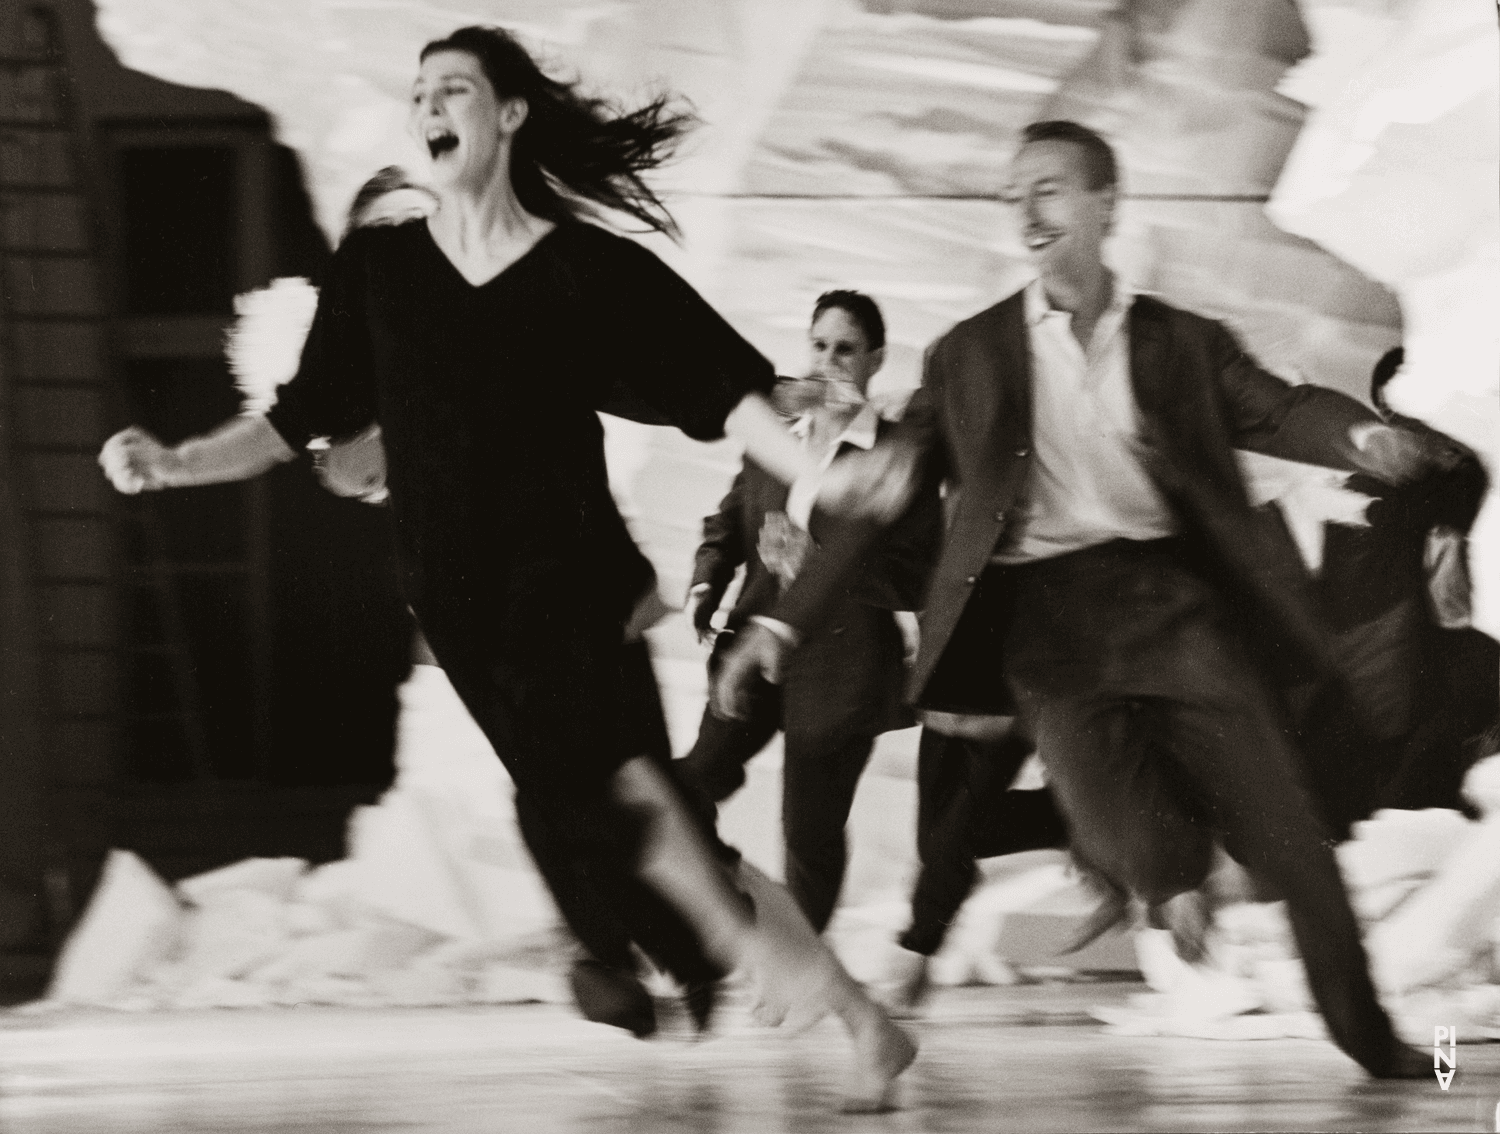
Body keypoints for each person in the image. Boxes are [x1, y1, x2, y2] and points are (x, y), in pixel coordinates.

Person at [99, 25, 914, 1111]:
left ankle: (772, 982)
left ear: (510, 114)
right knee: (636, 820)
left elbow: (717, 388)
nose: (431, 108)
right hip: (465, 608)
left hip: (572, 586)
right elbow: (299, 421)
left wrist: (830, 484)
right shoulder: (382, 270)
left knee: (630, 808)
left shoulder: (582, 269)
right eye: (421, 92)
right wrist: (176, 463)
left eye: (456, 90)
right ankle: (825, 1001)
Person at [715, 119, 1445, 1078]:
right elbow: (881, 500)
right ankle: (1166, 879)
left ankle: (1377, 1041)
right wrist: (780, 618)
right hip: (1044, 617)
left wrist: (1360, 440)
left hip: (1170, 604)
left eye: (1049, 189)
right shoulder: (969, 355)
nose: (1025, 210)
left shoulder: (1181, 343)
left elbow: (1279, 407)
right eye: (1012, 194)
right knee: (1107, 813)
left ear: (1106, 203)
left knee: (1290, 836)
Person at [677, 291, 939, 933]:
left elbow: (916, 571)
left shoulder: (896, 452)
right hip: (752, 646)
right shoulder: (777, 432)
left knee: (808, 831)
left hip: (844, 666)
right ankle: (719, 919)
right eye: (818, 345)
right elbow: (730, 519)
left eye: (845, 349)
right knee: (690, 786)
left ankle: (806, 957)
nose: (827, 361)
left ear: (875, 360)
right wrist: (706, 585)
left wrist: (820, 557)